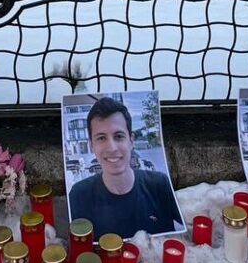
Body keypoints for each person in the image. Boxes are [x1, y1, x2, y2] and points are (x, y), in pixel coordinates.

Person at [67, 96, 183, 240]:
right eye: (101, 138)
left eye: (119, 136)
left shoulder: (159, 184)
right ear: (92, 145)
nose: (112, 148)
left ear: (131, 140)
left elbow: (191, 226)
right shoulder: (79, 195)